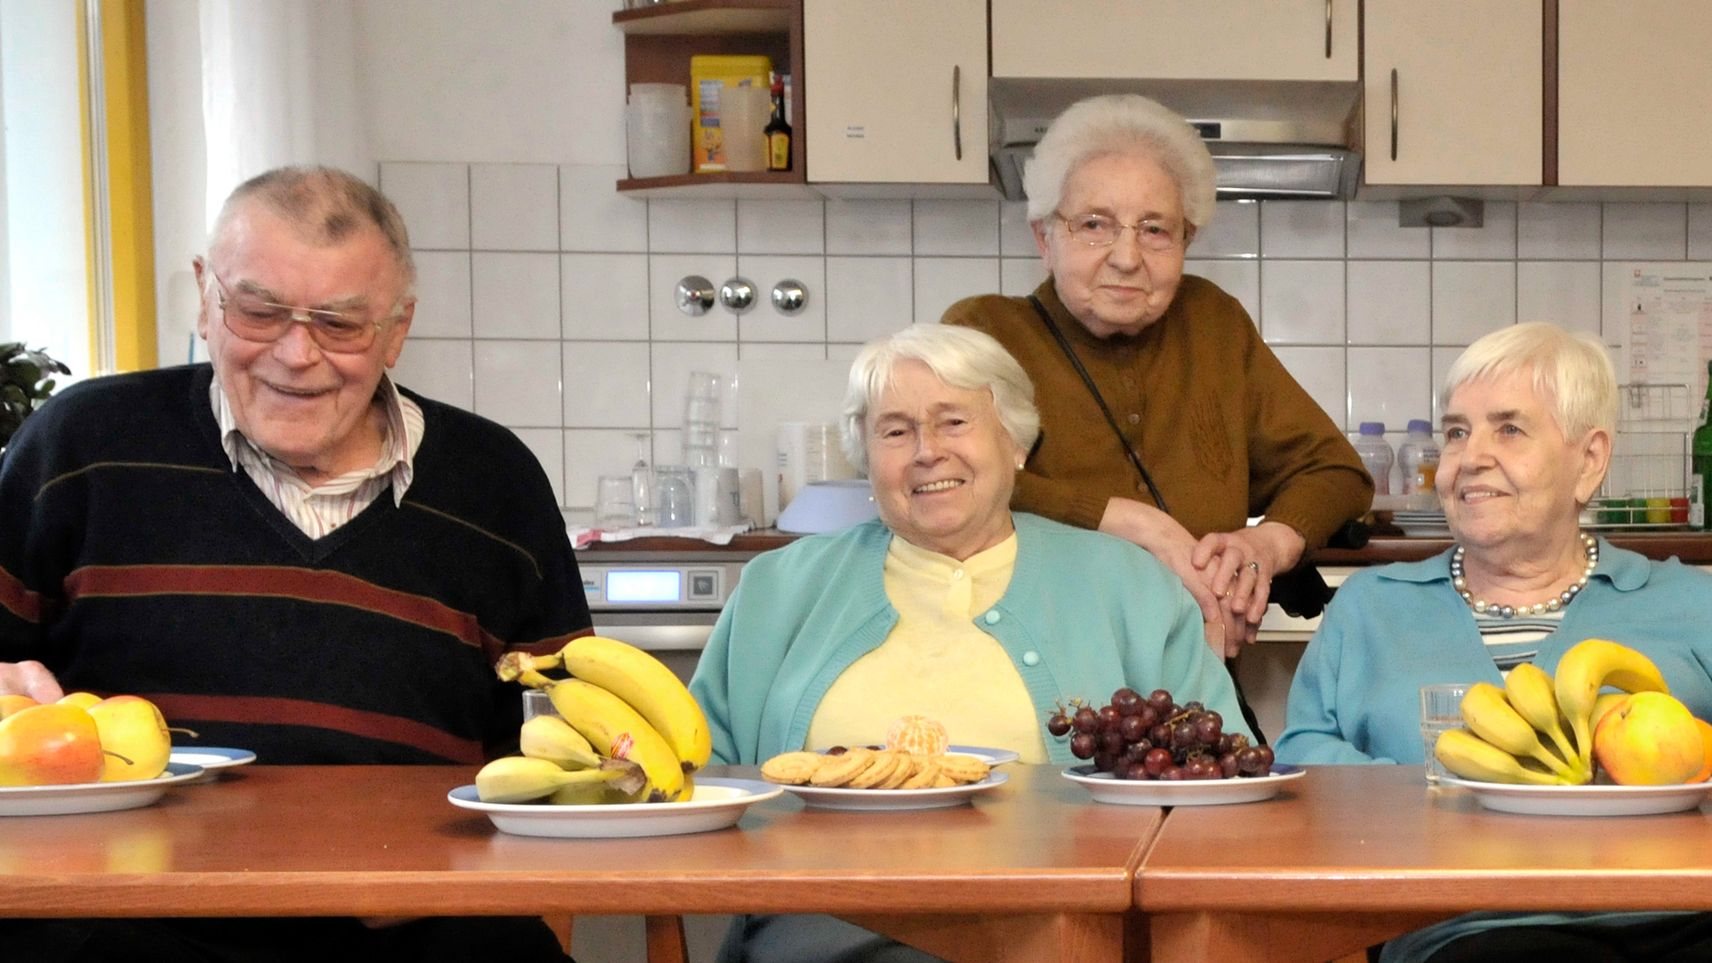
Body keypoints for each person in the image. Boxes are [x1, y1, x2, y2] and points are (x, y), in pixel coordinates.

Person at [0, 167, 585, 961]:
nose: (296, 354)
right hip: (119, 923)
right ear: (207, 299)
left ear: (397, 327)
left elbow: (561, 756)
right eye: (259, 310)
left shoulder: (495, 482)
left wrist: (452, 870)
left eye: (340, 324)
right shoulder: (81, 446)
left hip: (418, 930)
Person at [691, 323, 1248, 963]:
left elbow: (1216, 771)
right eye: (896, 431)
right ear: (868, 461)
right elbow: (702, 778)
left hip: (1071, 915)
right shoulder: (779, 588)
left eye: (954, 422)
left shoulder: (1128, 583)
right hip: (833, 916)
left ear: (1014, 441)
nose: (928, 451)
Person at [1276, 322, 1712, 962]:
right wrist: (1454, 789)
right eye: (1457, 432)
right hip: (1467, 929)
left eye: (1509, 429)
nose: (1469, 457)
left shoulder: (1690, 604)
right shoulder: (1373, 607)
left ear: (1588, 461)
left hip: (1678, 912)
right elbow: (1305, 763)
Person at [943, 93, 1372, 656]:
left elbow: (1336, 472)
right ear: (1045, 238)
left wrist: (1265, 544)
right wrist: (1134, 524)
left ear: (1186, 242)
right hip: (1030, 667)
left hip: (1197, 670)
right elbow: (948, 479)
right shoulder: (985, 330)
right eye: (1094, 224)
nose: (1126, 256)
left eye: (1154, 230)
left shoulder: (1211, 319)